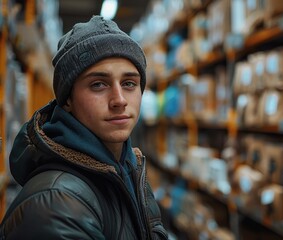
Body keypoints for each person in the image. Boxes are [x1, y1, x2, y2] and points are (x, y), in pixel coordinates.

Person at [0, 15, 169, 239]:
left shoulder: (127, 168)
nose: (119, 99)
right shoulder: (55, 203)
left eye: (129, 83)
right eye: (98, 84)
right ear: (67, 99)